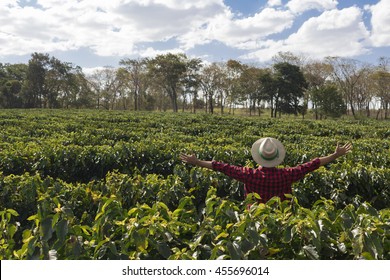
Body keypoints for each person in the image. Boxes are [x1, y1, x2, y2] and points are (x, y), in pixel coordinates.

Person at [180, 137, 352, 203]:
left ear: (259, 156)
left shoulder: (249, 175)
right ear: (277, 157)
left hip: (255, 218)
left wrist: (197, 162)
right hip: (281, 218)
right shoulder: (287, 175)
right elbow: (312, 164)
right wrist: (335, 155)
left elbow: (221, 167)